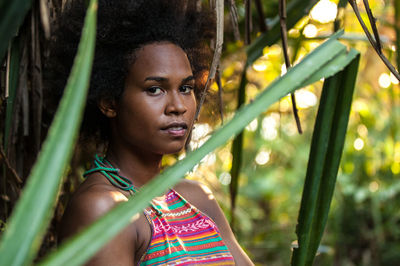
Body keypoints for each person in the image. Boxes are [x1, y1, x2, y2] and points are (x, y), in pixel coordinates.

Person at [51, 0, 253, 265]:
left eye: (185, 88)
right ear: (109, 102)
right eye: (155, 89)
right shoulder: (103, 208)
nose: (178, 106)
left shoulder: (197, 199)